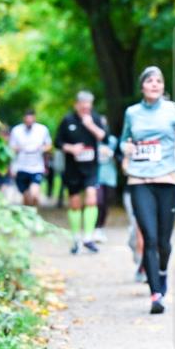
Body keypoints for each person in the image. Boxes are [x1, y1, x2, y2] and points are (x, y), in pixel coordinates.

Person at [121, 66, 175, 314]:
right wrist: (125, 148)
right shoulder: (132, 113)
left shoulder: (173, 110)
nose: (155, 84)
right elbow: (123, 141)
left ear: (162, 86)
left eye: (159, 81)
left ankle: (163, 272)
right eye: (150, 81)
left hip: (167, 180)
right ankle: (156, 293)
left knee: (164, 242)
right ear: (142, 86)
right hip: (139, 180)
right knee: (149, 237)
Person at [57, 91, 108, 254]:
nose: (86, 107)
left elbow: (104, 137)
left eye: (89, 104)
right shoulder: (67, 120)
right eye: (83, 104)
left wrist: (90, 125)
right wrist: (71, 148)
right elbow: (57, 142)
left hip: (91, 167)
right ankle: (76, 239)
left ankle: (88, 237)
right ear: (76, 104)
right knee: (75, 203)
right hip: (72, 168)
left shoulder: (96, 118)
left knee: (92, 197)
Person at [8, 110, 51, 208]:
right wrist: (21, 148)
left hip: (36, 167)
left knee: (34, 194)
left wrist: (40, 149)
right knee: (26, 196)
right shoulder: (16, 130)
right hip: (21, 167)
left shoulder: (42, 130)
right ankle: (28, 215)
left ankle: (34, 212)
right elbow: (11, 147)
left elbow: (48, 145)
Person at [93, 117, 119, 243]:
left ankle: (101, 228)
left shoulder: (112, 141)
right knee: (98, 201)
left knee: (105, 204)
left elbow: (119, 157)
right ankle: (94, 228)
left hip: (110, 176)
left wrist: (111, 153)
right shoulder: (92, 141)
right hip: (95, 176)